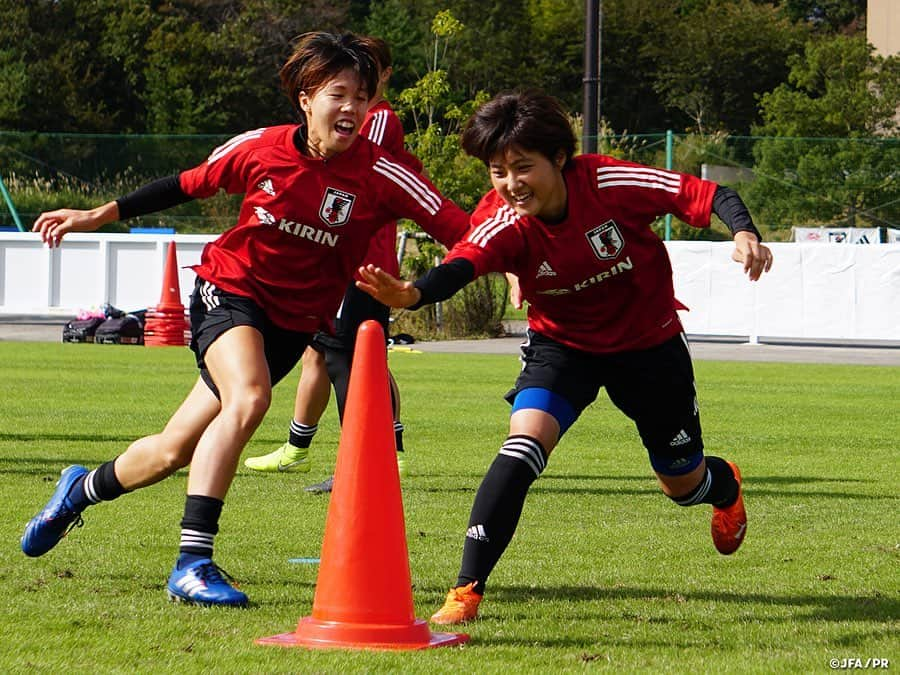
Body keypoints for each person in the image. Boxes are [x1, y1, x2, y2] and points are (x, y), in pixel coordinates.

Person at [21, 31, 468, 608]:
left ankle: (77, 491)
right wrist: (99, 213)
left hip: (291, 324)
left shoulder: (383, 174)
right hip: (227, 292)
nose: (353, 108)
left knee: (171, 451)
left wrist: (482, 270)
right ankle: (192, 562)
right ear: (306, 98)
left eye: (362, 96)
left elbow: (463, 231)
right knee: (250, 399)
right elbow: (184, 183)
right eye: (338, 93)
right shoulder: (261, 147)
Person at [356, 90, 773, 625]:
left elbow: (708, 192)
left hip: (649, 347)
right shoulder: (502, 218)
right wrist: (415, 293)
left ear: (558, 158)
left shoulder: (608, 182)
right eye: (497, 171)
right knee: (522, 445)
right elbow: (464, 262)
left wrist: (744, 232)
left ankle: (725, 487)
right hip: (563, 348)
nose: (510, 184)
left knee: (682, 483)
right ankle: (466, 591)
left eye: (522, 167)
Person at [243, 36, 417, 493]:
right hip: (335, 261)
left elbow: (365, 174)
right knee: (319, 353)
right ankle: (298, 447)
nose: (353, 95)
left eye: (365, 80)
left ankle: (375, 458)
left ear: (381, 78)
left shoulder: (375, 124)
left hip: (361, 264)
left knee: (353, 358)